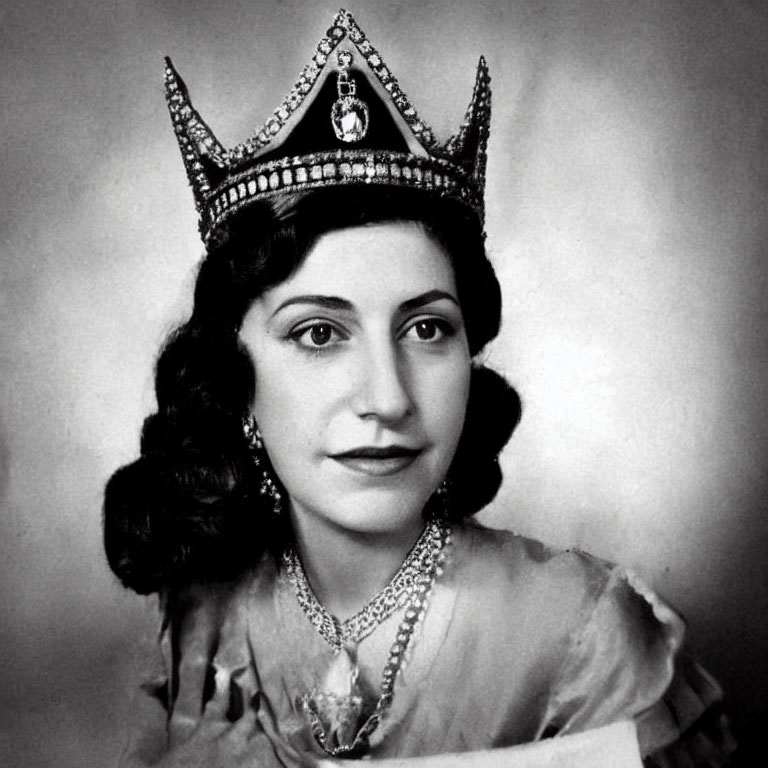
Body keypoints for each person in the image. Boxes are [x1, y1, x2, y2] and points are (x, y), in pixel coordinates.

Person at [104, 10, 735, 767]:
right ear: (232, 381)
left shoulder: (586, 636)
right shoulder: (204, 612)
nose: (389, 398)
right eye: (318, 333)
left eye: (427, 329)